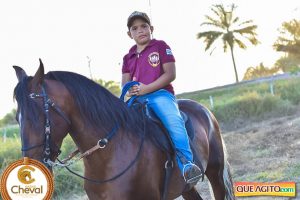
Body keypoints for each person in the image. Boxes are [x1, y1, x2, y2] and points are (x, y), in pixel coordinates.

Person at [122, 11, 202, 185]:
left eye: (144, 26)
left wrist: (146, 89)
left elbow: (170, 74)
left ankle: (187, 165)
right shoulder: (127, 57)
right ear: (130, 34)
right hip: (136, 98)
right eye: (135, 28)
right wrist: (129, 93)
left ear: (151, 28)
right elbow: (125, 84)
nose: (140, 30)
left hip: (160, 95)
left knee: (173, 120)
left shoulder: (160, 46)